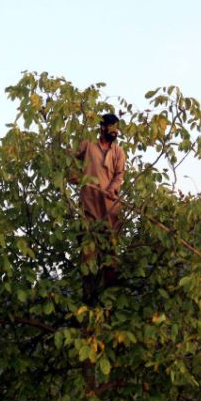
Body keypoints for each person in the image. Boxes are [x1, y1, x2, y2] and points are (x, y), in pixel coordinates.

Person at [73, 114, 126, 287]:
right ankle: (87, 288)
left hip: (110, 206)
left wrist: (112, 189)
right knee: (88, 249)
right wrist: (74, 175)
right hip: (89, 202)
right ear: (103, 127)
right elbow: (70, 157)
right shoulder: (88, 144)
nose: (115, 132)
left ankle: (110, 290)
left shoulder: (118, 151)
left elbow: (119, 175)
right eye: (112, 128)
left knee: (110, 248)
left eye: (117, 128)